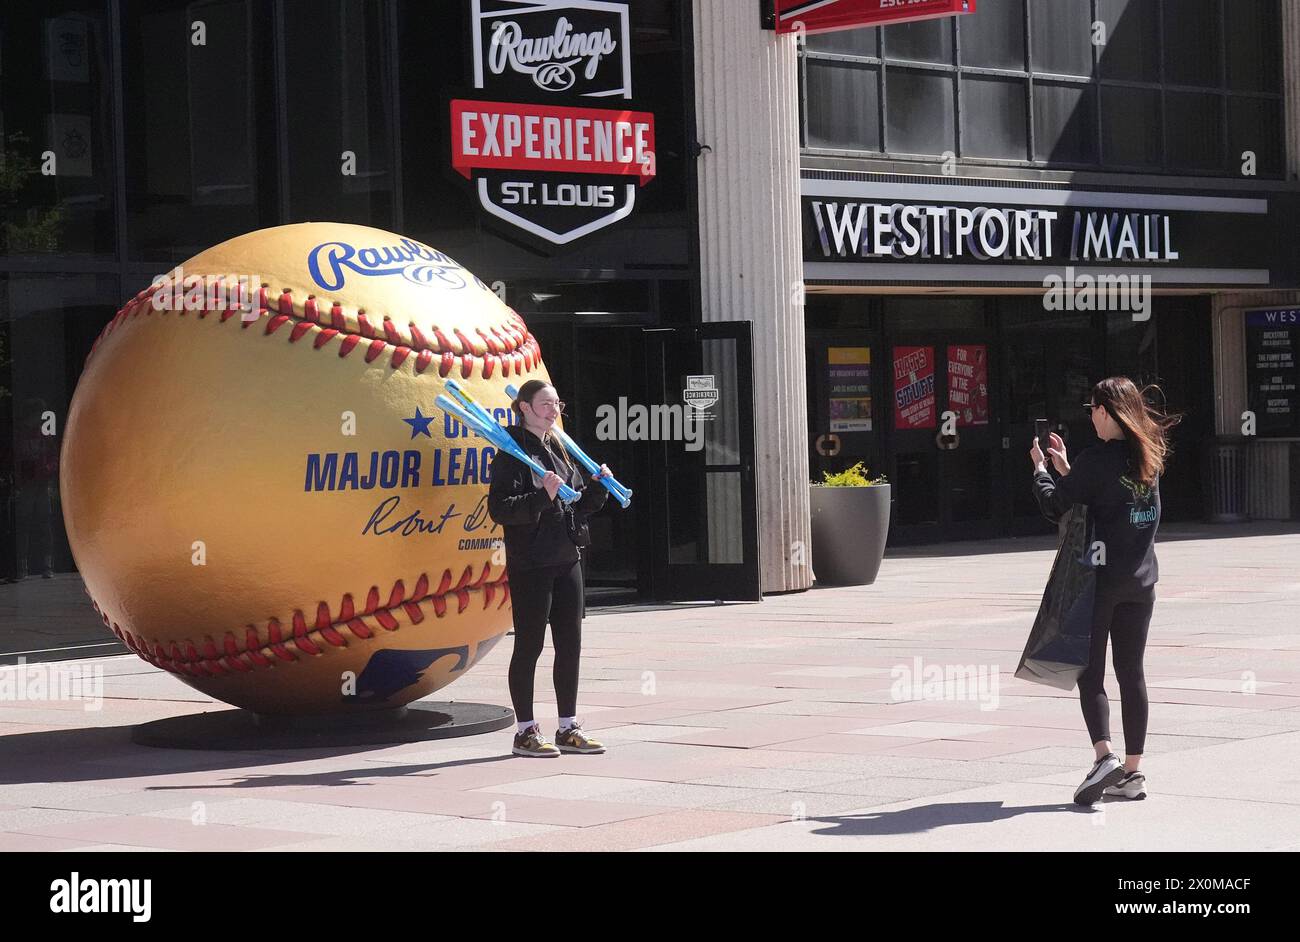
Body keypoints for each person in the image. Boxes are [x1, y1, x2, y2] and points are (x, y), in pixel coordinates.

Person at [1030, 377, 1180, 805]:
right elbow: (1109, 497)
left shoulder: (1096, 460)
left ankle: (1104, 756)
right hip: (1142, 581)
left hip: (1099, 581)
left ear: (1107, 411)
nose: (1091, 416)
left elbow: (1055, 505)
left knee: (1090, 671)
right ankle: (1133, 772)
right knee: (1131, 673)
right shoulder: (1147, 455)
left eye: (1093, 409)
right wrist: (1068, 472)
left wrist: (1041, 470)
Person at [487, 380, 613, 758]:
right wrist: (543, 495)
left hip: (567, 556)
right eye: (545, 404)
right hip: (531, 561)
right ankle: (525, 731)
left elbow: (574, 506)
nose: (554, 410)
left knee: (570, 644)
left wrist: (598, 489)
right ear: (524, 407)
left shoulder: (559, 448)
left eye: (556, 403)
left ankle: (567, 727)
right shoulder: (511, 453)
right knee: (530, 645)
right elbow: (502, 509)